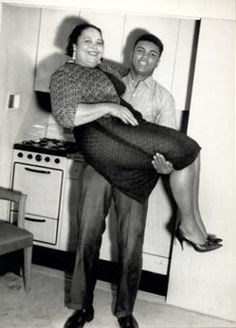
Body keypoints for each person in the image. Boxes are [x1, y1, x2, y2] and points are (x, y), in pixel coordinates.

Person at [50, 24, 222, 328]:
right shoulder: (111, 73)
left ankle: (125, 311)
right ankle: (82, 306)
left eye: (152, 54)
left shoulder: (163, 99)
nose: (144, 57)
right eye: (140, 50)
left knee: (132, 243)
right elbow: (69, 103)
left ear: (158, 62)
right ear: (131, 53)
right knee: (87, 237)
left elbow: (167, 147)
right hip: (98, 170)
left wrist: (164, 168)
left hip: (137, 174)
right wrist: (106, 106)